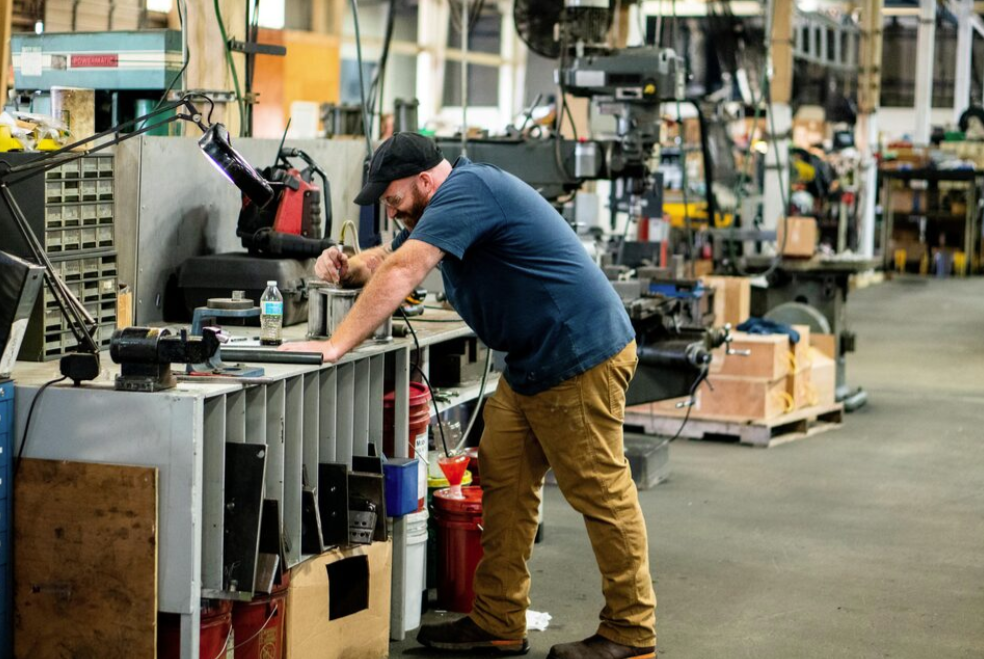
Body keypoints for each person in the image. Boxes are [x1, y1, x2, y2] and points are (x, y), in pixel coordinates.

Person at [282, 132, 656, 659]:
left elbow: (407, 267)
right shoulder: (444, 205)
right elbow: (389, 256)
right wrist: (349, 264)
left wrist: (334, 344)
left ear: (426, 181)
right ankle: (498, 620)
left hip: (577, 356)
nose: (392, 210)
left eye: (394, 199)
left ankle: (631, 633)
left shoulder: (469, 190)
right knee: (504, 482)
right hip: (529, 366)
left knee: (600, 491)